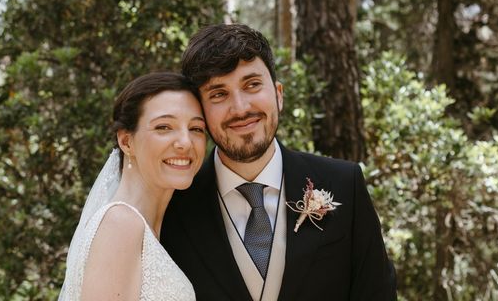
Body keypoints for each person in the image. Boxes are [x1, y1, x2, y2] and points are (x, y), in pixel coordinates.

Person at [161, 24, 397, 300]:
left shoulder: (346, 185)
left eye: (252, 85)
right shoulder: (173, 205)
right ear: (199, 111)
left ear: (279, 94)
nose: (241, 108)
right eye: (219, 94)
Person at [59, 72, 207, 301]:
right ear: (126, 142)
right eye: (164, 127)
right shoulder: (120, 224)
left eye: (196, 128)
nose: (186, 143)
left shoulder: (151, 227)